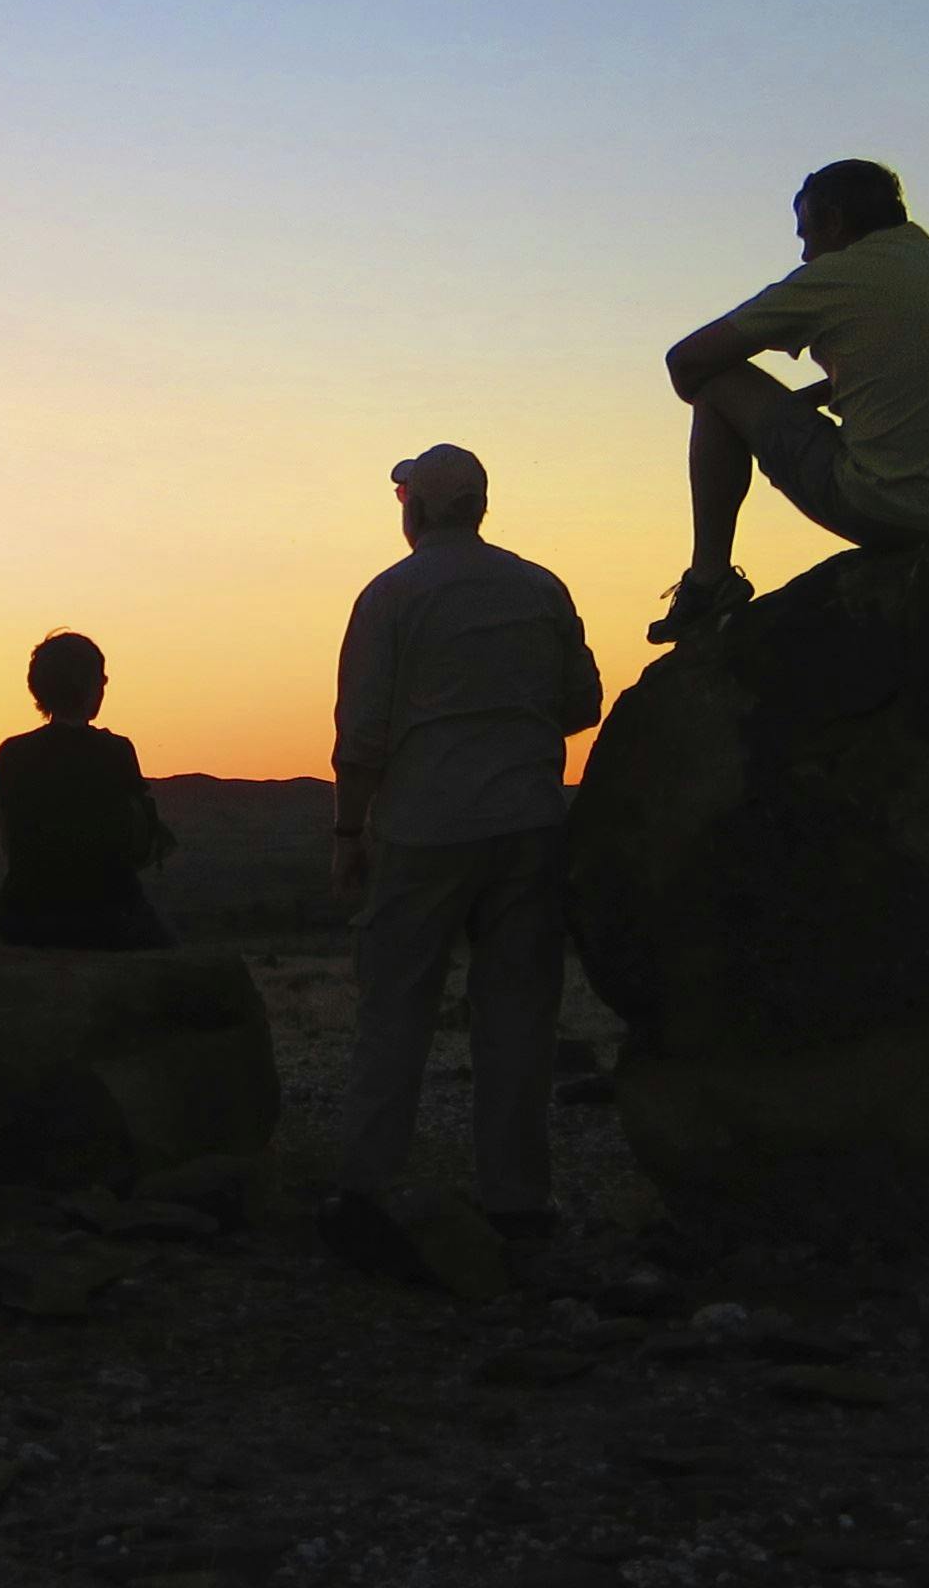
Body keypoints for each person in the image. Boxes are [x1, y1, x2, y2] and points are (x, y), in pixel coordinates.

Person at [322, 445, 605, 1254]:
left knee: (395, 1011)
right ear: (479, 505)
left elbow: (362, 736)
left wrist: (349, 831)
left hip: (422, 830)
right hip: (527, 824)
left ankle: (367, 1193)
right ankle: (517, 1201)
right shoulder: (539, 587)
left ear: (415, 508)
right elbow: (580, 704)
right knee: (518, 1017)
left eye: (403, 492)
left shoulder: (390, 596)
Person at [649, 161, 929, 642]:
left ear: (833, 221)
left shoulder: (835, 276)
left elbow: (687, 363)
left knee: (717, 384)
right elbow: (911, 372)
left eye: (806, 235)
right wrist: (792, 408)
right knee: (725, 393)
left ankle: (708, 580)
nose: (806, 254)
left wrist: (739, 424)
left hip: (892, 507)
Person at [0, 631, 175, 950]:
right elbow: (136, 837)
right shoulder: (116, 751)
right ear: (91, 687)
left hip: (23, 917)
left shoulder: (11, 754)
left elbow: (10, 839)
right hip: (106, 917)